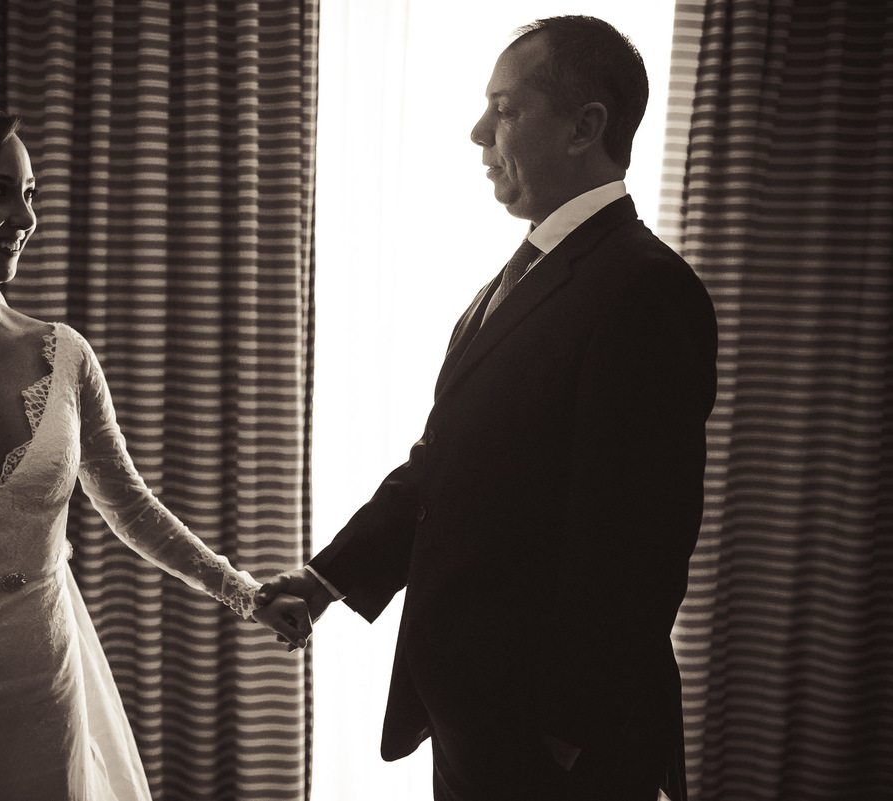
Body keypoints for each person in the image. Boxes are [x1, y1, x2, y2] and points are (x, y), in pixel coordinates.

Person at [262, 15, 718, 801]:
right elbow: (442, 465)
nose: (478, 132)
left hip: (552, 741)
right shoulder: (509, 284)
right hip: (474, 715)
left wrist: (563, 733)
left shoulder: (646, 289)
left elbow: (640, 539)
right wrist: (326, 577)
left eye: (504, 109)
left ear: (586, 126)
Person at [0, 95, 312, 801]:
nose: (24, 219)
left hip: (43, 679)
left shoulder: (66, 355)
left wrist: (243, 590)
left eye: (28, 195)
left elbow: (130, 506)